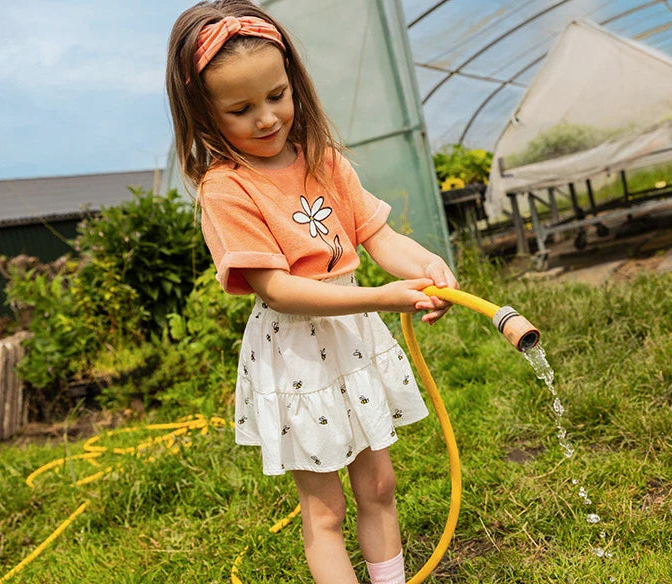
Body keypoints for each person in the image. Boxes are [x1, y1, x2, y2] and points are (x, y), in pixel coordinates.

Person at [166, 2, 458, 583]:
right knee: (326, 508)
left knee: (379, 483)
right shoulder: (226, 189)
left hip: (350, 335)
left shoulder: (325, 161)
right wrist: (383, 297)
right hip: (297, 352)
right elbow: (278, 290)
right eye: (240, 109)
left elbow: (377, 235)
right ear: (203, 114)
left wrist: (426, 262)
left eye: (276, 95)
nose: (267, 118)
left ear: (293, 82)